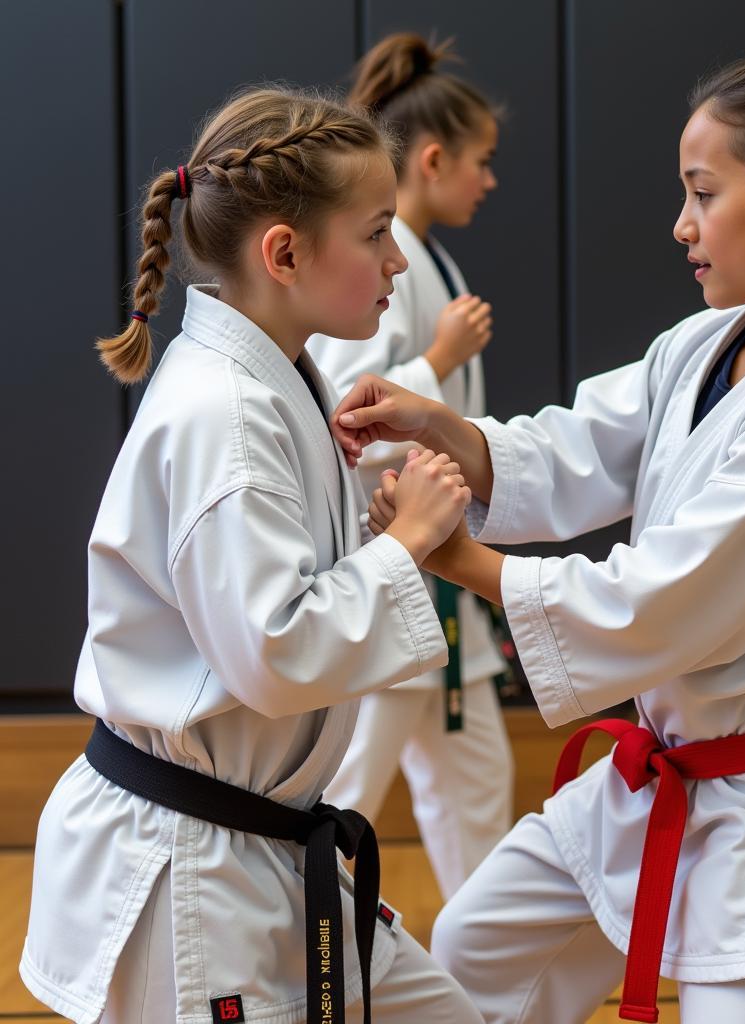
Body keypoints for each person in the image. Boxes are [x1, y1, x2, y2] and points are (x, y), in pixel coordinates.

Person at [332, 51, 745, 1023]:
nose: (681, 225)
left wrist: (456, 558)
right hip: (659, 771)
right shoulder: (707, 342)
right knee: (470, 953)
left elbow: (667, 598)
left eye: (702, 194)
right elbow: (582, 446)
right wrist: (437, 422)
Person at [20, 86, 483, 1024]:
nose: (398, 259)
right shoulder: (227, 415)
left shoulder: (270, 386)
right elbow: (273, 653)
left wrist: (360, 525)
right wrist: (404, 543)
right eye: (378, 232)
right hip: (198, 879)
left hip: (255, 846)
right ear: (284, 253)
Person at [307, 33, 513, 901]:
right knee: (345, 789)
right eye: (481, 162)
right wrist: (434, 359)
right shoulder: (388, 274)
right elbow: (353, 421)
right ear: (431, 159)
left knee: (478, 787)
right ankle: (305, 953)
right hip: (389, 562)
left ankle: (484, 972)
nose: (489, 180)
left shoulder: (428, 260)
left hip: (438, 580)